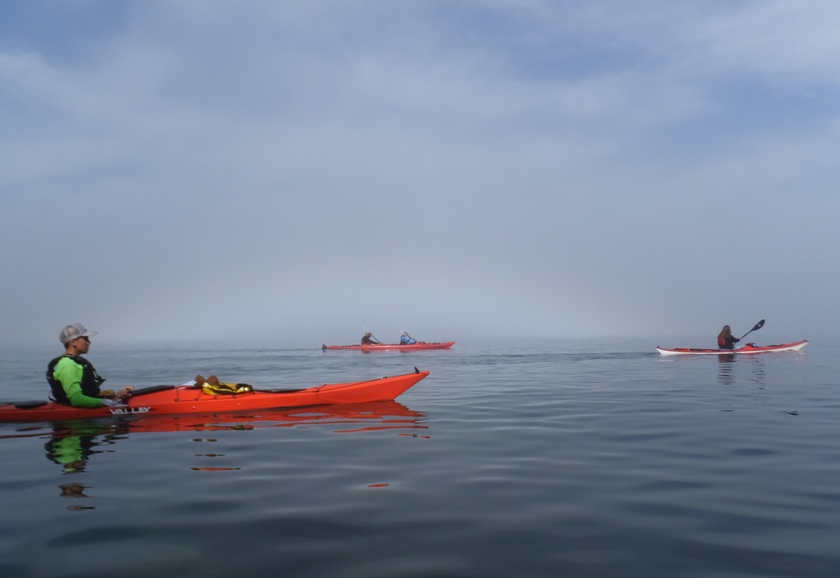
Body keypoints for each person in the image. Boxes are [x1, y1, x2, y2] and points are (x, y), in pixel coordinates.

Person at [46, 324, 133, 408]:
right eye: (85, 339)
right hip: (77, 415)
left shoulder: (75, 362)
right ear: (74, 342)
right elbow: (76, 399)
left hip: (85, 407)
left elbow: (88, 393)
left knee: (110, 392)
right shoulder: (68, 365)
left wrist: (117, 395)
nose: (89, 342)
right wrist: (109, 402)